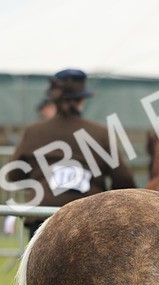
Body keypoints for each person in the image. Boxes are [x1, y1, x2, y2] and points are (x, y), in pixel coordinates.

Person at [7, 69, 135, 239]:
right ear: (82, 100)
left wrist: (41, 178)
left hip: (42, 215)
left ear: (53, 100)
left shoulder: (33, 131)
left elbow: (14, 175)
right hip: (89, 216)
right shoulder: (101, 133)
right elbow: (123, 179)